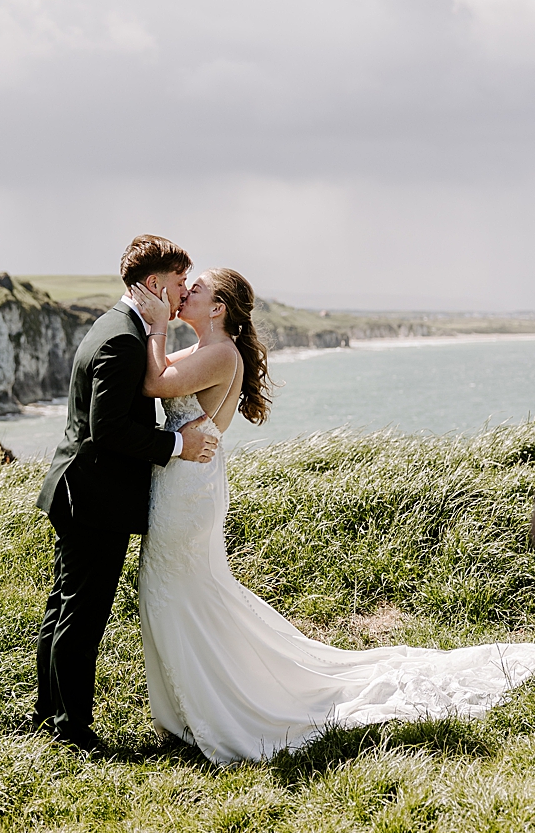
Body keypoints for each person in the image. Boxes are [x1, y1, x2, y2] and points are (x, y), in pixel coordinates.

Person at [129, 269, 535, 764]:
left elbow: (153, 381)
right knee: (182, 590)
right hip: (183, 481)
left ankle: (219, 705)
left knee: (180, 589)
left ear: (218, 308)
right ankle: (195, 703)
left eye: (196, 289)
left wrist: (156, 325)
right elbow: (152, 370)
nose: (185, 293)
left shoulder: (219, 353)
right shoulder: (203, 349)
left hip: (188, 490)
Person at [33, 234, 218, 753]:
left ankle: (49, 714)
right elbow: (108, 430)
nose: (183, 292)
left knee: (65, 606)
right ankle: (70, 732)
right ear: (155, 284)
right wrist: (179, 444)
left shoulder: (120, 325)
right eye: (180, 282)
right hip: (94, 496)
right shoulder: (124, 339)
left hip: (82, 489)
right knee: (81, 614)